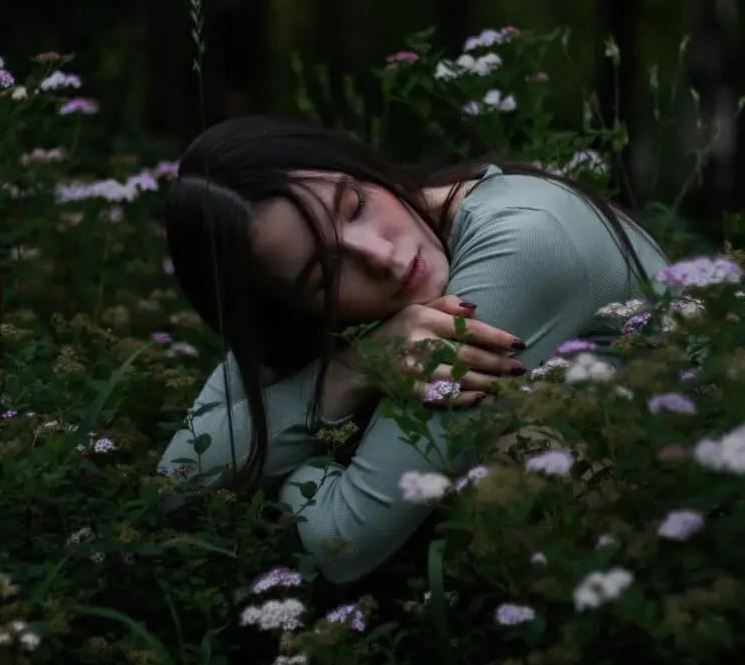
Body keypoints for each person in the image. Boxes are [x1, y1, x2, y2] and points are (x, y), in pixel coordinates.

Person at [158, 115, 666, 584]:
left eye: (354, 207)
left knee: (511, 459)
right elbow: (176, 480)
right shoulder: (360, 303)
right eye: (325, 274)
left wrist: (295, 467)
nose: (380, 256)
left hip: (694, 506)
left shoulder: (520, 243)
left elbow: (343, 540)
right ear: (292, 312)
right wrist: (351, 371)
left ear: (358, 169)